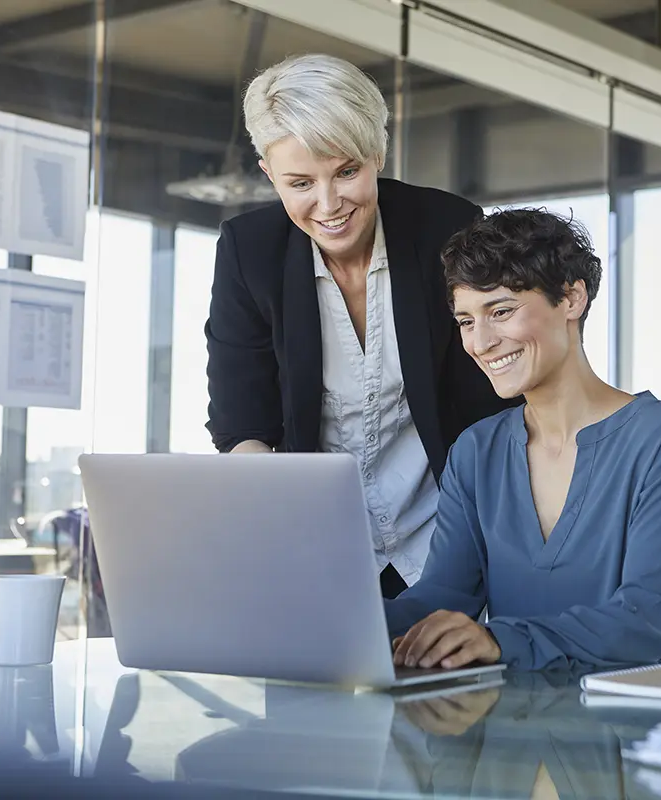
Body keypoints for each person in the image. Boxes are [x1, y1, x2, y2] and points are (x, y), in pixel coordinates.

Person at [205, 54, 514, 599]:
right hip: (320, 548)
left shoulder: (449, 228)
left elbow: (493, 403)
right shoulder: (247, 252)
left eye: (347, 171)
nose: (328, 205)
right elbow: (239, 422)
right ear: (268, 174)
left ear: (377, 153)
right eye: (300, 182)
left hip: (448, 537)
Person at [386, 209, 661, 671]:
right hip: (527, 725)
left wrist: (497, 641)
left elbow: (645, 620)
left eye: (501, 311)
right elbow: (444, 596)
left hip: (655, 722)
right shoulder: (476, 451)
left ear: (571, 299)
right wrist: (344, 624)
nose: (480, 342)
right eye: (466, 321)